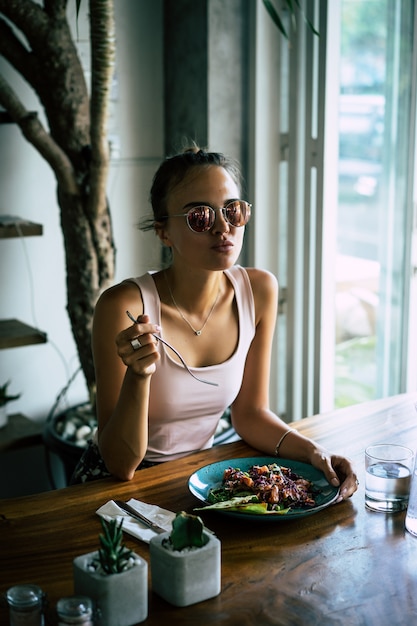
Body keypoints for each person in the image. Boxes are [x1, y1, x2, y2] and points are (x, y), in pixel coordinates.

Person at [71, 146, 358, 502]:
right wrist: (139, 375)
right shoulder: (124, 307)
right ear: (164, 232)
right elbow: (120, 464)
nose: (223, 228)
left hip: (201, 479)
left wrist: (315, 453)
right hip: (113, 489)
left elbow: (251, 414)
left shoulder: (258, 290)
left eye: (232, 211)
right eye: (200, 218)